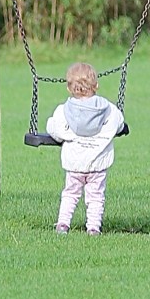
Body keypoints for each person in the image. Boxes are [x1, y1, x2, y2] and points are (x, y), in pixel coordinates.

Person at [46, 62, 126, 235]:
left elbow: (55, 130)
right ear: (96, 85)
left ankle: (63, 224)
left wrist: (52, 126)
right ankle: (93, 228)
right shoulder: (108, 110)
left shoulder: (63, 111)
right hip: (97, 164)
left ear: (69, 88)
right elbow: (119, 124)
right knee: (96, 197)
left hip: (75, 164)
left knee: (70, 194)